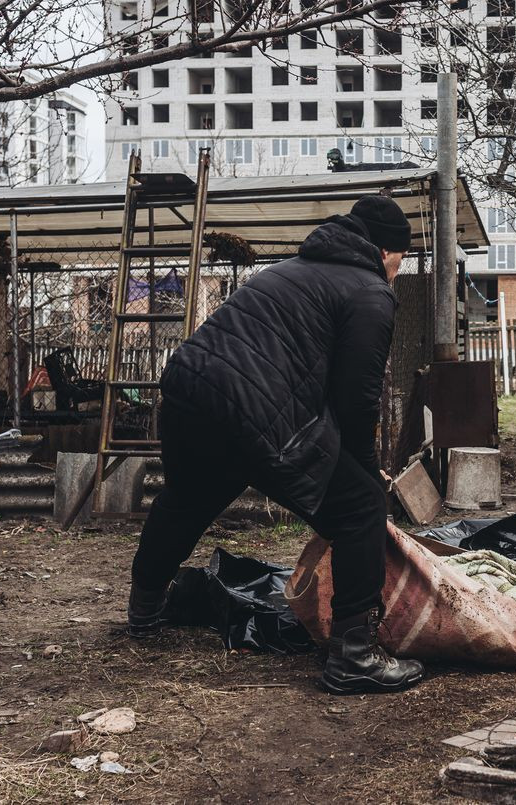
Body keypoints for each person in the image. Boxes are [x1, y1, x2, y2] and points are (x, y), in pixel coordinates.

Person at [126, 195, 425, 695]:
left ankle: (144, 610)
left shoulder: (290, 270)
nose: (398, 270)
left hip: (186, 386)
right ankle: (354, 655)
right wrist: (367, 470)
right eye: (400, 259)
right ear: (383, 252)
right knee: (359, 507)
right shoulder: (370, 291)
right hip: (251, 403)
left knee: (188, 497)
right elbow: (356, 401)